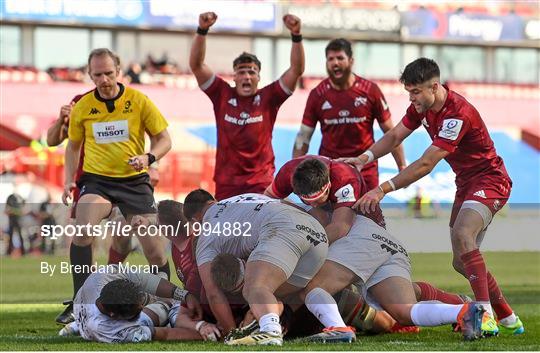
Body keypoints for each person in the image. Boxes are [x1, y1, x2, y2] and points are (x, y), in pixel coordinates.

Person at [341, 57, 523, 335]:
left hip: (491, 180)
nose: (411, 98)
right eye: (409, 92)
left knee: (464, 235)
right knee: (460, 261)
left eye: (415, 92)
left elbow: (427, 163)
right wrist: (364, 158)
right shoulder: (421, 107)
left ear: (434, 87)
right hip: (465, 184)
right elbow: (394, 136)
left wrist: (382, 189)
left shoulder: (457, 113)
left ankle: (484, 314)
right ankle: (507, 315)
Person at [62, 48, 172, 326]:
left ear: (119, 72)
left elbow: (164, 139)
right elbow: (73, 146)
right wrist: (68, 180)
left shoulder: (138, 100)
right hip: (97, 181)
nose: (104, 79)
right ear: (90, 75)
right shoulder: (84, 106)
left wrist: (149, 157)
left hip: (134, 183)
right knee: (83, 228)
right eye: (98, 74)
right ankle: (81, 303)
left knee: (155, 250)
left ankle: (167, 303)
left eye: (109, 73)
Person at [185, 190, 355, 345]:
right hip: (315, 232)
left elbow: (213, 293)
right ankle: (339, 328)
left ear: (195, 221)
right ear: (213, 200)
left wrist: (231, 332)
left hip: (280, 228)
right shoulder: (245, 196)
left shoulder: (206, 234)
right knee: (302, 290)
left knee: (254, 286)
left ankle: (270, 331)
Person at [189, 12, 305, 200]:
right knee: (229, 229)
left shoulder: (270, 97)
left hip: (261, 183)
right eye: (241, 72)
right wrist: (202, 30)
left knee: (262, 229)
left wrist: (296, 35)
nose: (247, 76)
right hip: (227, 183)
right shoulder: (221, 94)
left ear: (258, 77)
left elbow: (296, 70)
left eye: (252, 71)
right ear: (234, 77)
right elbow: (196, 65)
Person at [292, 38, 406, 190]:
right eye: (330, 59)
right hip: (330, 169)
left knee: (367, 213)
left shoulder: (370, 90)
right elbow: (303, 137)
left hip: (365, 167)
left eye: (340, 58)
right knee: (332, 214)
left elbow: (390, 132)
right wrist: (294, 170)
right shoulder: (317, 94)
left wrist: (401, 166)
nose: (335, 63)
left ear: (351, 61)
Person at [58, 265, 203, 343]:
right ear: (113, 316)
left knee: (158, 299)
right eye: (136, 311)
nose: (142, 308)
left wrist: (185, 295)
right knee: (160, 312)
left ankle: (76, 325)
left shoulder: (103, 276)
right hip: (92, 322)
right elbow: (164, 334)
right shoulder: (113, 330)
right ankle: (167, 305)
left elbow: (145, 280)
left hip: (83, 310)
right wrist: (204, 333)